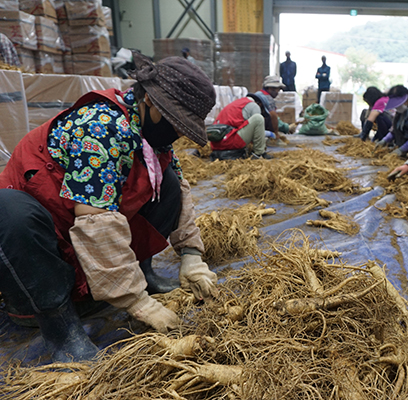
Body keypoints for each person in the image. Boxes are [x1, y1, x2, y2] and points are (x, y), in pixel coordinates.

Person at [0, 51, 219, 363]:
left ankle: (143, 275)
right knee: (9, 212)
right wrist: (136, 302)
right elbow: (95, 222)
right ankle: (61, 328)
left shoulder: (148, 133)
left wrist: (191, 255)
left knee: (167, 183)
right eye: (179, 124)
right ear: (152, 105)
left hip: (85, 240)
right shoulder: (100, 127)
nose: (181, 133)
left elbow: (181, 193)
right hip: (44, 247)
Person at [209, 95, 272, 160]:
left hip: (216, 143)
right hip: (229, 141)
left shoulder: (236, 104)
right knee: (258, 118)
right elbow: (256, 129)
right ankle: (259, 154)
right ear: (260, 104)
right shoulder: (254, 106)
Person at [376, 85, 408, 156]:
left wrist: (402, 149)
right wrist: (384, 140)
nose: (396, 108)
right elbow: (394, 129)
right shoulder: (400, 111)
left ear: (406, 100)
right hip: (405, 141)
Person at [253, 75, 287, 143]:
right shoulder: (268, 98)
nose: (278, 92)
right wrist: (277, 133)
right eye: (277, 89)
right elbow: (273, 115)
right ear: (270, 88)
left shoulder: (258, 94)